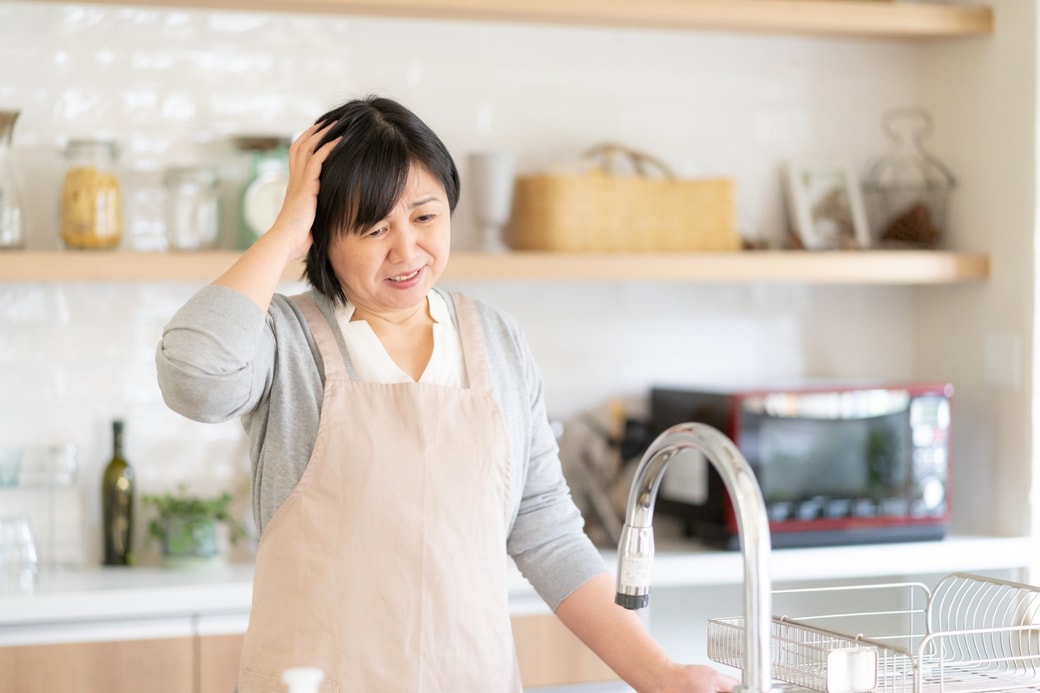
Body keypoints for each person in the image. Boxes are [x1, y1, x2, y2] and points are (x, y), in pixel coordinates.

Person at [155, 95, 738, 693]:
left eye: (426, 218)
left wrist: (661, 673)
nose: (407, 251)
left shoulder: (498, 340)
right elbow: (195, 380)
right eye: (374, 227)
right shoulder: (283, 340)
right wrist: (281, 232)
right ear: (322, 235)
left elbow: (549, 535)